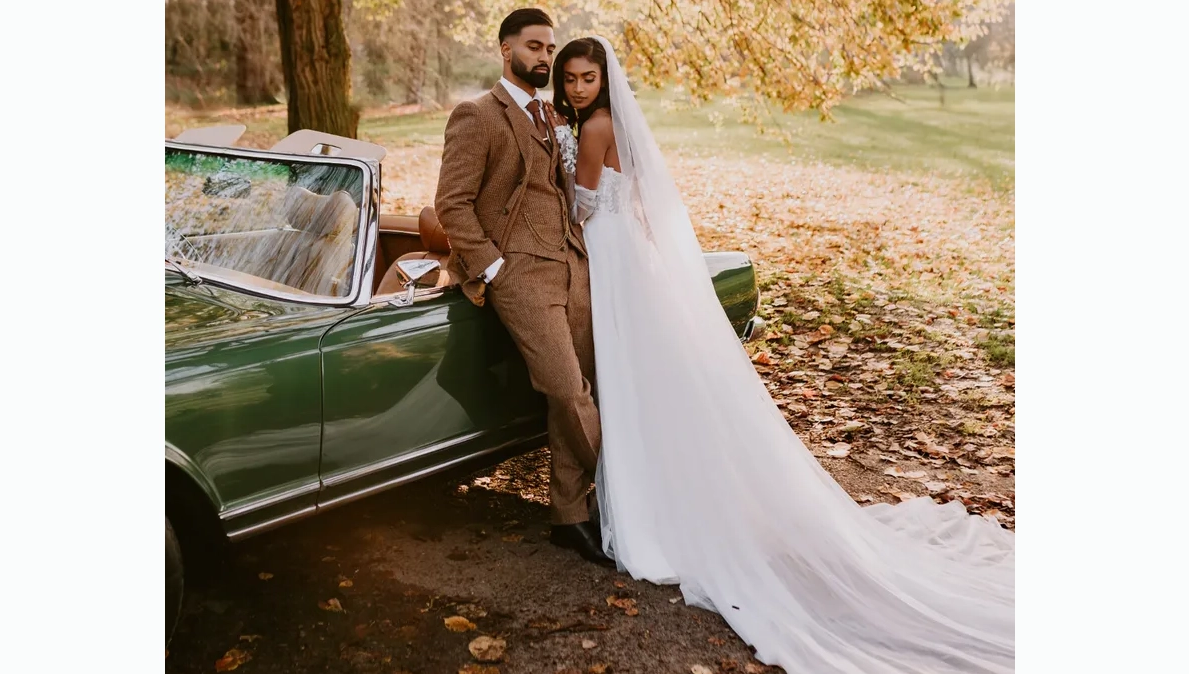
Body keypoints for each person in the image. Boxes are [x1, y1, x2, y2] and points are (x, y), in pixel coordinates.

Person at [547, 35, 1016, 673]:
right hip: (628, 251)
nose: (579, 88)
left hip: (606, 251)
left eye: (587, 77)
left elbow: (582, 202)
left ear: (604, 80)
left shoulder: (596, 128)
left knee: (627, 378)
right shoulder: (609, 121)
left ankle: (647, 508)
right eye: (569, 79)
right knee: (642, 377)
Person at [434, 9, 611, 566]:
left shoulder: (558, 115)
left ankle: (568, 515)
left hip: (571, 264)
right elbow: (452, 203)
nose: (544, 56)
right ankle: (631, 482)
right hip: (518, 276)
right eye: (533, 45)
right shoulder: (477, 115)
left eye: (548, 47)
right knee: (565, 388)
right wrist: (492, 269)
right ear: (505, 48)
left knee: (582, 386)